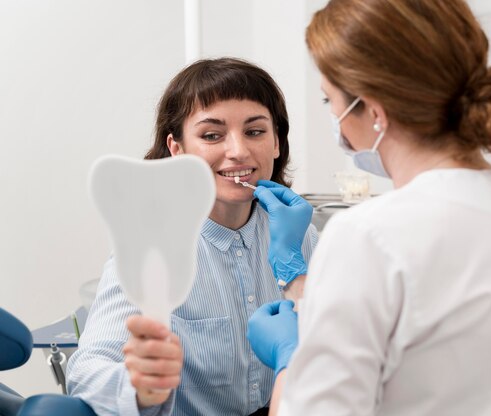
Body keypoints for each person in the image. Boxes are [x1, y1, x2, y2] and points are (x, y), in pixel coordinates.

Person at [247, 1, 491, 415]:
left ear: (373, 109)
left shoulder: (369, 235)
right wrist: (298, 284)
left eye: (328, 100)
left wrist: (289, 357)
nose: (333, 116)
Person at [66, 58, 318, 416]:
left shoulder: (301, 237)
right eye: (212, 135)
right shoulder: (155, 244)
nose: (238, 151)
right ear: (177, 150)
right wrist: (141, 387)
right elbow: (86, 372)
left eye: (255, 131)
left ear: (277, 142)